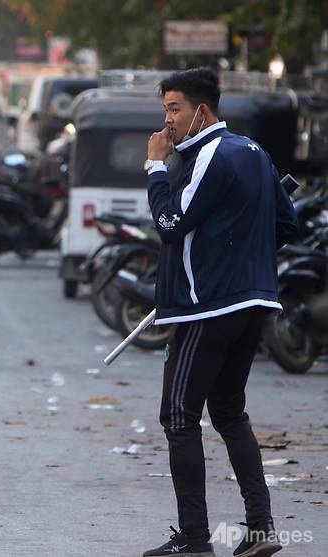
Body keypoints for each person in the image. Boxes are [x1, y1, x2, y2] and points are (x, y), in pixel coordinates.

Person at [141, 68, 298, 557]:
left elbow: (171, 223)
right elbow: (286, 223)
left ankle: (194, 540)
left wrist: (154, 168)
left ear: (201, 112)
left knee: (179, 417)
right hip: (252, 302)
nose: (167, 123)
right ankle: (260, 528)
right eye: (166, 110)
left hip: (208, 308)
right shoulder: (254, 153)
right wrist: (239, 254)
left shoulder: (211, 154)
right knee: (229, 411)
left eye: (174, 109)